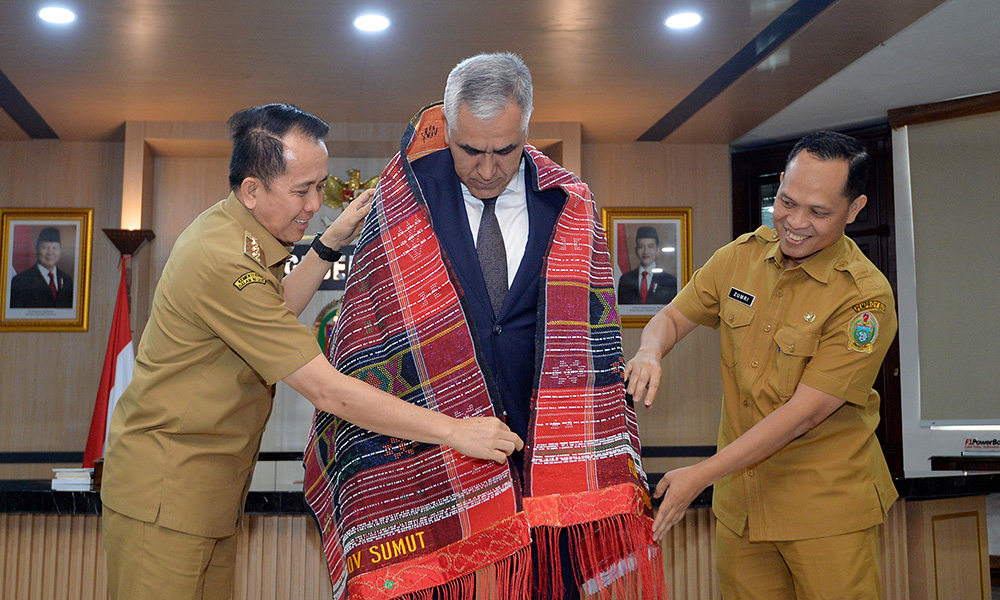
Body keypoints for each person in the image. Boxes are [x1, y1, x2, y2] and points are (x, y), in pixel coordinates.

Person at [100, 103, 523, 600]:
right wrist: (455, 431)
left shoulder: (240, 233)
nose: (313, 203)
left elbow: (273, 308)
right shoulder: (221, 259)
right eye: (302, 190)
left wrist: (329, 243)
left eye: (319, 186)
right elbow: (327, 391)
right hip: (165, 496)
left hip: (203, 492)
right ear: (252, 189)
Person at [304, 54, 662, 600]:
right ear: (446, 129)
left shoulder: (570, 205)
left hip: (549, 460)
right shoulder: (402, 203)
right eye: (471, 150)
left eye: (506, 150)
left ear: (527, 131)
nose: (489, 168)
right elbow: (365, 342)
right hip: (433, 465)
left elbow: (594, 340)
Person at [624, 130, 898, 599]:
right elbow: (670, 317)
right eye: (786, 202)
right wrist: (650, 351)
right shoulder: (740, 257)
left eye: (818, 211)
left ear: (854, 210)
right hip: (743, 509)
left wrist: (702, 474)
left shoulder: (863, 298)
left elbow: (804, 414)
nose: (794, 221)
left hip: (824, 512)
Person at [9, 227, 74, 308]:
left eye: (54, 248)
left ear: (60, 251)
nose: (50, 252)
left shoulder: (67, 281)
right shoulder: (20, 282)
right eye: (45, 247)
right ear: (37, 249)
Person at [617, 225, 677, 305]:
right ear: (636, 250)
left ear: (657, 250)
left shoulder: (669, 281)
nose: (646, 251)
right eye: (641, 247)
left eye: (650, 246)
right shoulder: (625, 280)